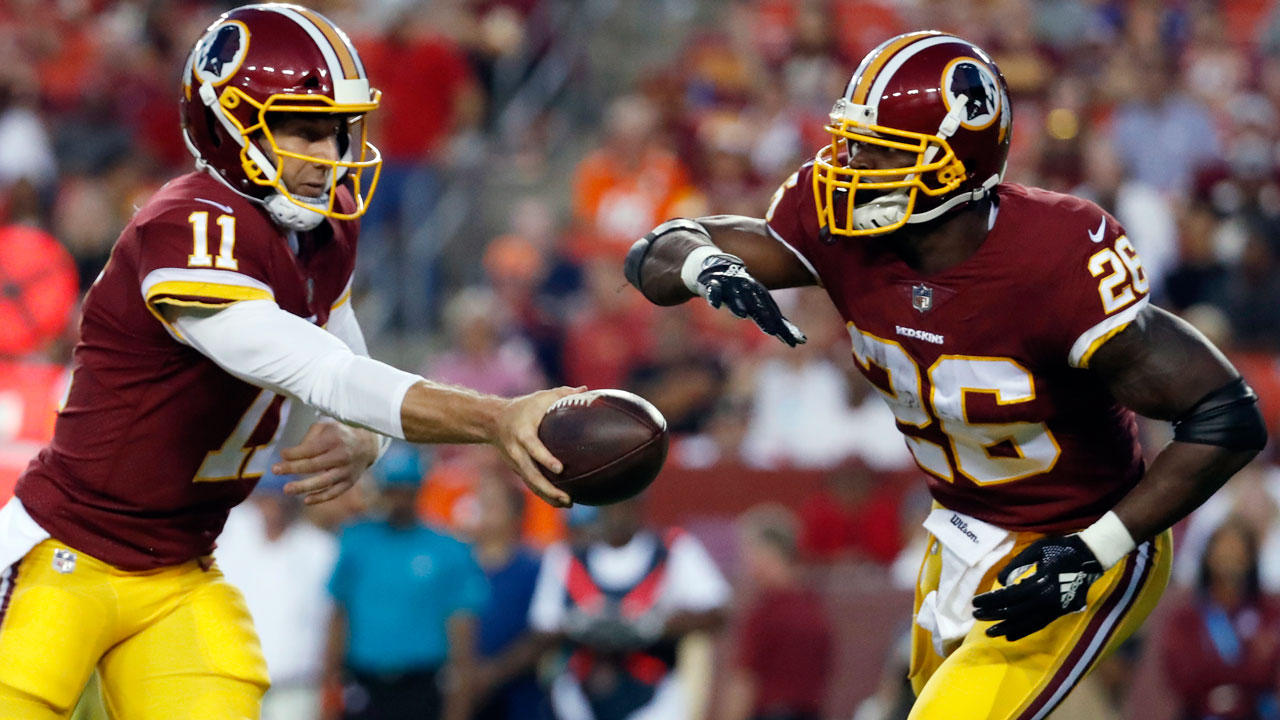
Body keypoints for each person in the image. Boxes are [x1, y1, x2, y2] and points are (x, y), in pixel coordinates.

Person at [623, 30, 1267, 720]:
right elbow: (652, 255)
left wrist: (1093, 549)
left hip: (1078, 541)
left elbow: (1227, 417)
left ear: (955, 164)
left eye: (879, 151)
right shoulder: (839, 224)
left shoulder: (1052, 258)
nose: (849, 165)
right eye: (852, 143)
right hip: (958, 528)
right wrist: (703, 265)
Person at [0, 5, 580, 719]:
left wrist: (365, 435)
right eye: (304, 127)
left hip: (179, 573)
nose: (330, 151)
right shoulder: (187, 225)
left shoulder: (318, 230)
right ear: (230, 120)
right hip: (63, 557)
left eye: (338, 129)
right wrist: (495, 417)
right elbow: (321, 372)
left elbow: (341, 349)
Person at [526, 496, 731, 720]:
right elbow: (542, 627)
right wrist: (580, 624)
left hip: (655, 700)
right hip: (579, 698)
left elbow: (717, 612)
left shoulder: (672, 547)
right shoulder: (566, 555)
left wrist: (653, 624)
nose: (618, 509)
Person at [324, 443, 487, 720]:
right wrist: (328, 693)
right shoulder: (357, 541)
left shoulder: (447, 548)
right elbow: (339, 616)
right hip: (364, 685)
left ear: (418, 490)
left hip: (421, 685)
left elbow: (462, 630)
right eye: (393, 489)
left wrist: (458, 705)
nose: (399, 498)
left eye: (406, 489)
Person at [216, 474, 339, 720]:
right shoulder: (230, 537)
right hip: (233, 683)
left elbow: (332, 620)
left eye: (282, 500)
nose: (274, 507)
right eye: (268, 498)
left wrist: (329, 682)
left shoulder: (320, 548)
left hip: (296, 685)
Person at [720, 504, 833, 720]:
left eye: (749, 551)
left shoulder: (766, 613)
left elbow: (745, 683)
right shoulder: (814, 609)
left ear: (767, 553)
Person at [1160, 521, 1280, 720]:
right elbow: (1185, 677)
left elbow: (1268, 670)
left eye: (1237, 549)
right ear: (1209, 556)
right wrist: (1241, 679)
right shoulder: (1185, 619)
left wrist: (1231, 688)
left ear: (1250, 558)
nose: (1230, 556)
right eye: (1223, 547)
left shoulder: (1268, 614)